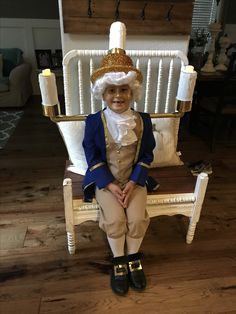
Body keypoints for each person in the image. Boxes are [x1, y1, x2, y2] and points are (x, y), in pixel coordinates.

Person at [82, 23, 156, 296]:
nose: (117, 96)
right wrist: (111, 185)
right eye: (111, 91)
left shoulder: (143, 121)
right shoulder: (93, 122)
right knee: (115, 220)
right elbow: (91, 155)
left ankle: (133, 257)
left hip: (134, 181)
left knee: (136, 220)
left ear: (132, 92)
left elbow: (147, 153)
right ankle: (118, 260)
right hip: (107, 182)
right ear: (103, 93)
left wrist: (135, 183)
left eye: (123, 90)